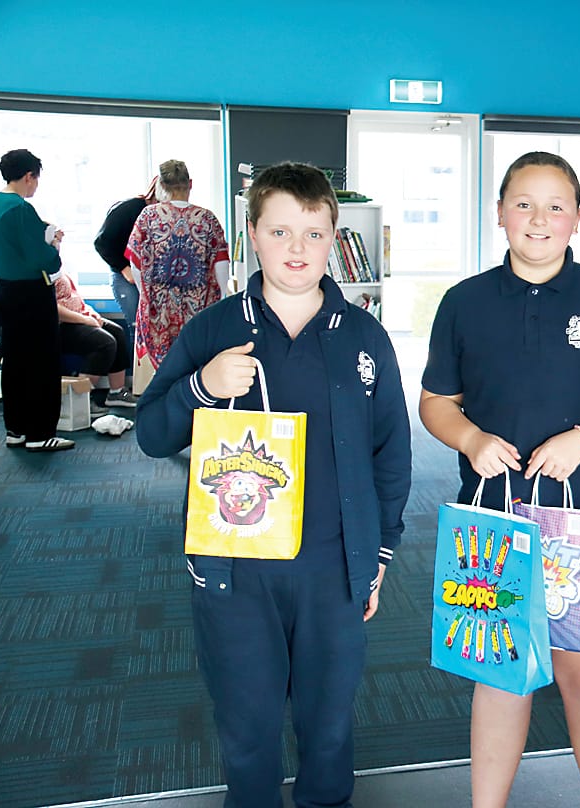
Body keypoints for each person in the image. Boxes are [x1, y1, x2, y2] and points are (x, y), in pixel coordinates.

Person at [135, 162, 411, 808]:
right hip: (235, 569)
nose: (297, 249)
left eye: (314, 234)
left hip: (334, 567)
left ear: (332, 239)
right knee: (249, 726)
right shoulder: (212, 330)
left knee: (329, 727)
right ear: (252, 234)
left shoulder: (364, 338)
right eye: (280, 231)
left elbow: (390, 454)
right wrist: (202, 389)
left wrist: (379, 553)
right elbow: (150, 434)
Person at [420, 151, 580, 808]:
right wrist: (469, 437)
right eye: (523, 203)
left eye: (556, 205)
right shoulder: (463, 302)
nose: (539, 218)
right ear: (500, 213)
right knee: (500, 677)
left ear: (578, 218)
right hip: (494, 532)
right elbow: (435, 401)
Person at [0, 148, 74, 452]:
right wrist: (54, 245)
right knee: (41, 363)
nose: (36, 186)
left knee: (16, 363)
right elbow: (44, 260)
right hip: (30, 294)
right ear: (28, 176)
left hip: (5, 290)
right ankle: (39, 433)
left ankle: (16, 429)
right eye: (36, 179)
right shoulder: (20, 209)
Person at [124, 159, 229, 370]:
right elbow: (221, 264)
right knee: (194, 368)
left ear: (161, 186)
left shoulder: (148, 216)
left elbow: (135, 263)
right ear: (190, 184)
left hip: (159, 308)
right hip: (198, 308)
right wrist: (222, 299)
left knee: (165, 370)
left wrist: (146, 296)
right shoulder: (207, 218)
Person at [94, 175, 158, 365]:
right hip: (126, 277)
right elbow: (102, 242)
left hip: (148, 277)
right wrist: (123, 267)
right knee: (137, 328)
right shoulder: (129, 209)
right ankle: (138, 383)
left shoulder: (163, 214)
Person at [53, 272, 135, 409]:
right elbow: (54, 308)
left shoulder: (59, 269)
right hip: (61, 326)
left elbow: (72, 297)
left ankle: (116, 392)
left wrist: (90, 312)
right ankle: (81, 399)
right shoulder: (42, 274)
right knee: (104, 342)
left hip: (79, 316)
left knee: (117, 331)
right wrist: (85, 320)